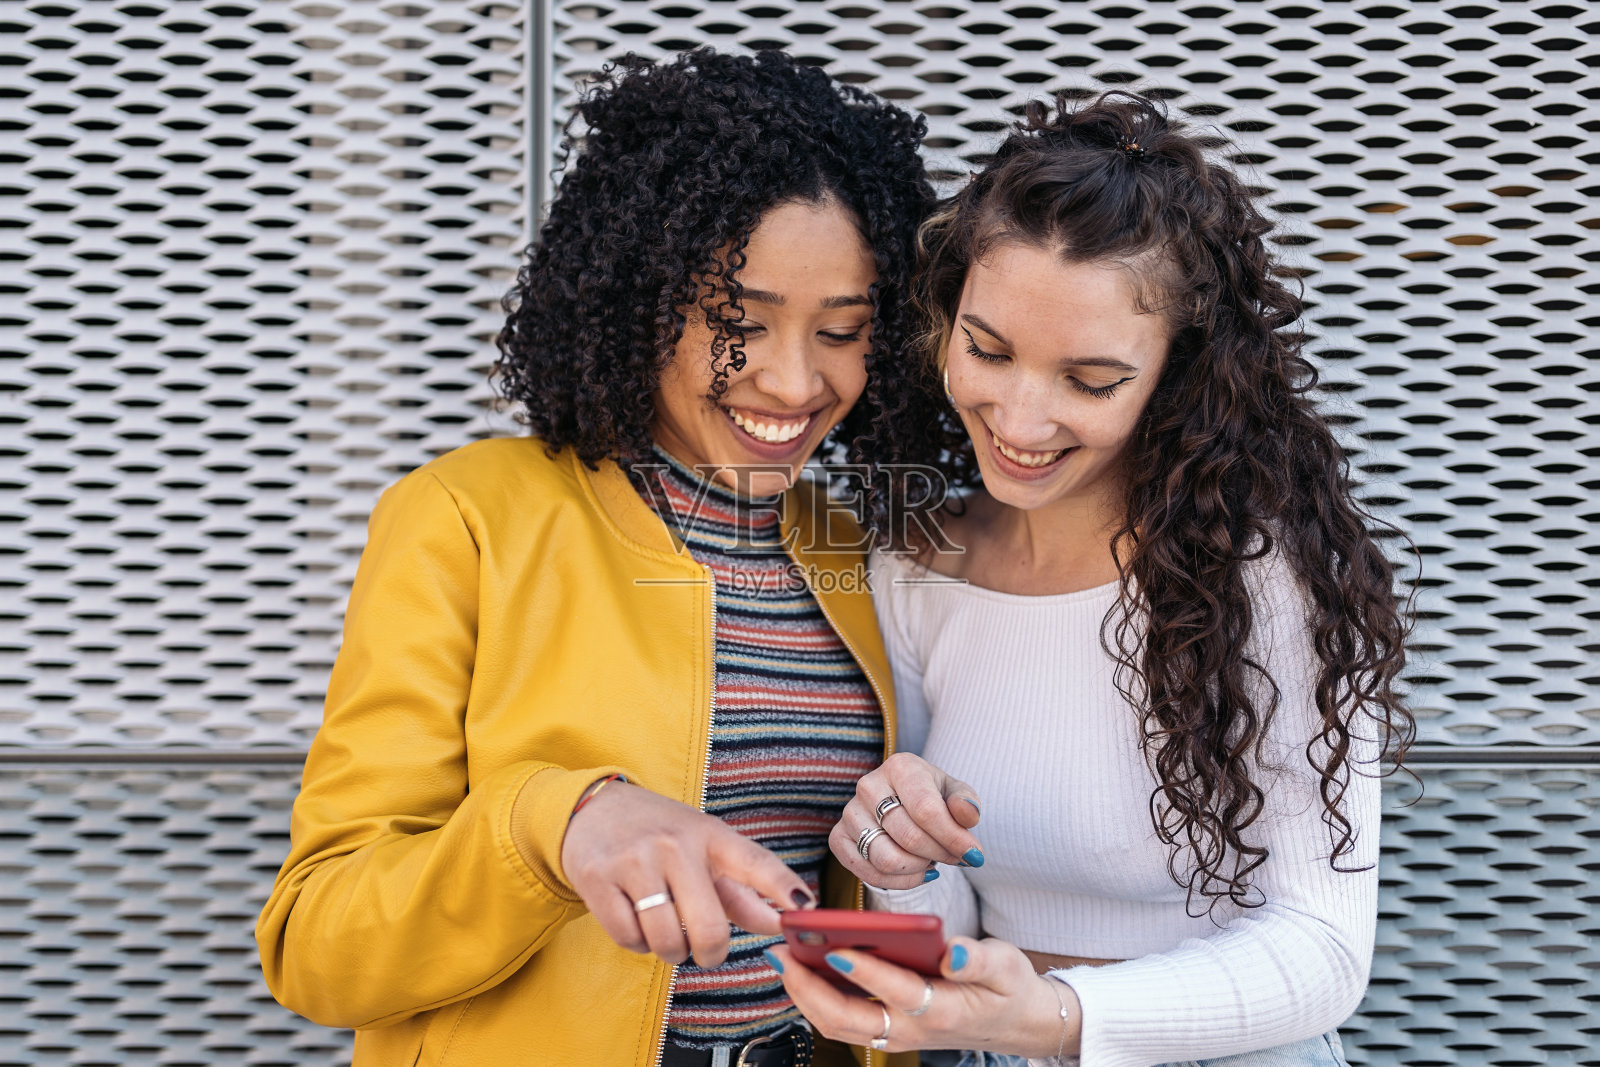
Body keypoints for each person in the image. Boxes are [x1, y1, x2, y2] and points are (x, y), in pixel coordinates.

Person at [256, 48, 937, 1067]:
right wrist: (557, 822)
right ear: (637, 300)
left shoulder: (847, 545)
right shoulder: (468, 518)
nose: (796, 382)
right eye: (737, 325)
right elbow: (316, 943)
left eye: (843, 331)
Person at [767, 91, 1414, 1067]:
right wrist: (899, 854)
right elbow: (951, 928)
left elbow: (1322, 949)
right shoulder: (910, 564)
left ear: (1175, 374)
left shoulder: (1263, 578)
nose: (1020, 419)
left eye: (1091, 379)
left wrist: (1058, 1015)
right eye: (987, 350)